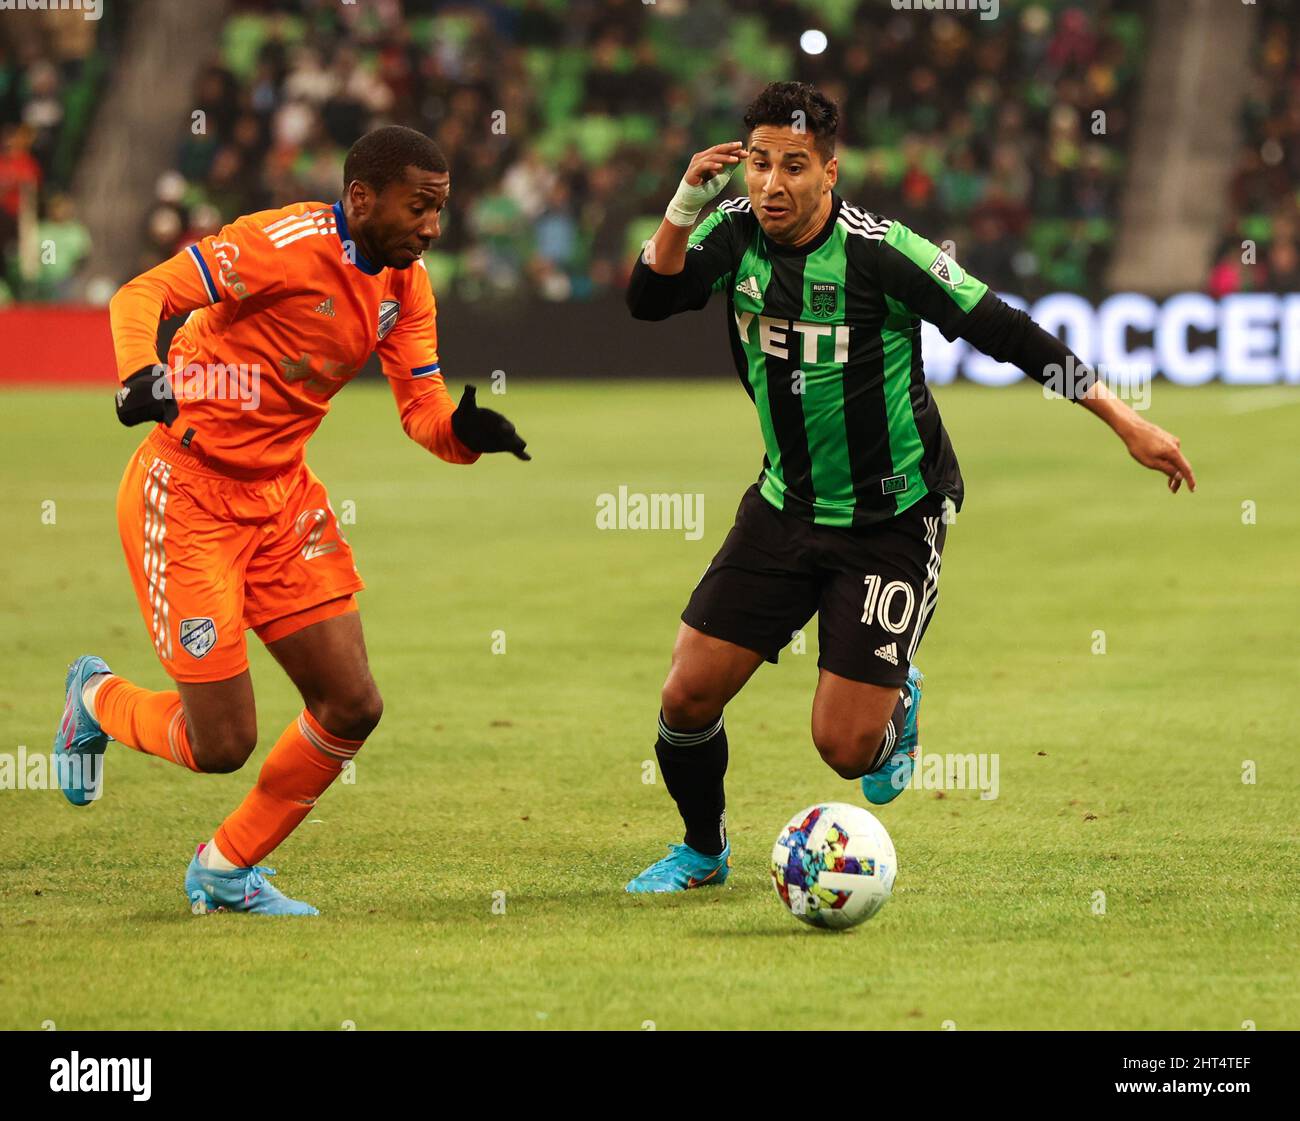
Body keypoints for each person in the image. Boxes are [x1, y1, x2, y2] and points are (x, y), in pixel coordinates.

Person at [623, 82, 1195, 893]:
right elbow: (649, 299)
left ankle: (896, 706)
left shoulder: (883, 252)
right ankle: (703, 849)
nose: (771, 185)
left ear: (830, 170)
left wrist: (1122, 417)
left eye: (793, 166)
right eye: (757, 164)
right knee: (686, 696)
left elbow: (1006, 331)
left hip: (892, 516)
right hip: (784, 505)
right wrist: (686, 199)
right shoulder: (733, 233)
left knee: (845, 749)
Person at [54, 126, 529, 915]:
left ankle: (224, 867)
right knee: (222, 744)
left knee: (353, 704)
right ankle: (98, 698)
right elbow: (142, 295)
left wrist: (464, 435)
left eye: (441, 211)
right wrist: (142, 373)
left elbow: (424, 413)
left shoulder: (404, 289)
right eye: (420, 208)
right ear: (362, 198)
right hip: (189, 492)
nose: (432, 228)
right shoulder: (279, 243)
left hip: (282, 500)